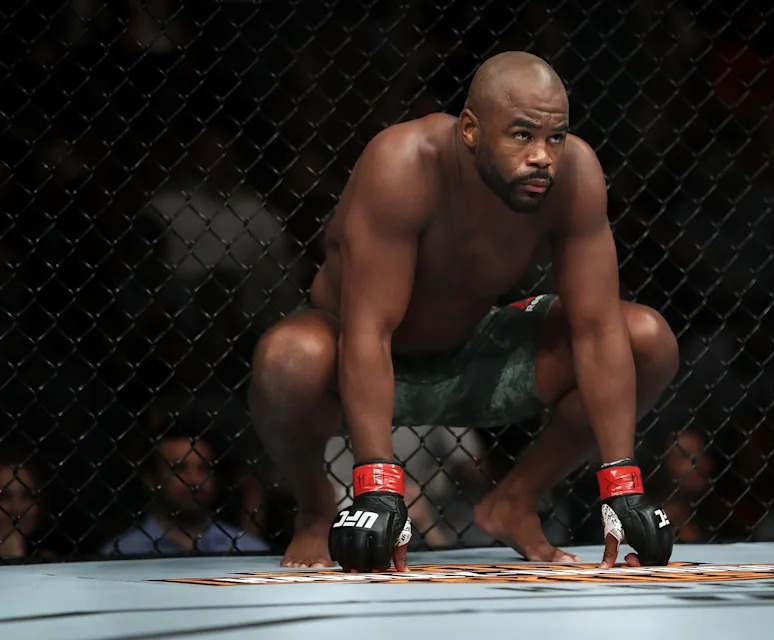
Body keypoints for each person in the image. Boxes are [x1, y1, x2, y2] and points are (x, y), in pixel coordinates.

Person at [249, 51, 679, 572]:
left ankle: (515, 501)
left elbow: (596, 327)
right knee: (287, 357)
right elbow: (370, 330)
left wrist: (620, 484)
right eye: (523, 135)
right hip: (357, 365)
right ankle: (318, 510)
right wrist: (377, 486)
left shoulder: (575, 175)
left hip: (474, 357)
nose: (544, 156)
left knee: (646, 339)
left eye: (556, 137)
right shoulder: (403, 163)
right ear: (472, 129)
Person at [101, 431, 269, 556]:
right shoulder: (121, 553)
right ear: (152, 480)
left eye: (205, 469)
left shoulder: (249, 549)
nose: (195, 480)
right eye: (179, 469)